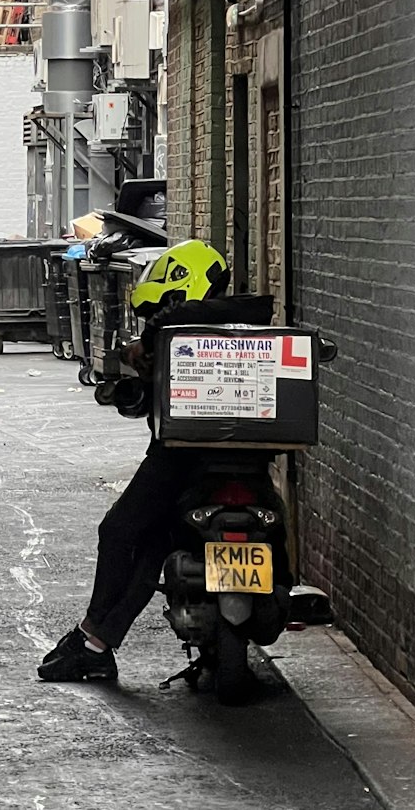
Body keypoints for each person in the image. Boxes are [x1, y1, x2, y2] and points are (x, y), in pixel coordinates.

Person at [38, 240, 274, 684]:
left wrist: (147, 341)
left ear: (180, 290)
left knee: (119, 530)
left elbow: (242, 308)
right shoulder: (211, 334)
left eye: (161, 308)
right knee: (153, 549)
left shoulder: (228, 317)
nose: (155, 322)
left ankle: (93, 638)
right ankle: (95, 641)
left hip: (182, 460)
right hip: (241, 461)